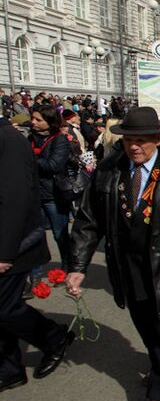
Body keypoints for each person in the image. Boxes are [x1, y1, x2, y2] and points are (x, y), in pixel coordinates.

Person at [65, 106, 160, 401]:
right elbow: (88, 221)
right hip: (126, 263)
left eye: (142, 140)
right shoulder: (108, 171)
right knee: (144, 322)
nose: (134, 146)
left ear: (157, 140)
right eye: (129, 139)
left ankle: (158, 394)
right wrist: (78, 265)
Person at [0, 115, 74, 392]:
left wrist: (5, 253)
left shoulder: (9, 141)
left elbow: (14, 200)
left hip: (13, 244)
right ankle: (10, 369)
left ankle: (53, 336)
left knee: (5, 308)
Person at [28, 104, 78, 282]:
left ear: (49, 122)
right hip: (34, 194)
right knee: (35, 235)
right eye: (33, 118)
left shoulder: (60, 140)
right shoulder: (31, 138)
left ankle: (68, 265)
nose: (33, 122)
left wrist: (30, 158)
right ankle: (35, 274)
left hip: (54, 195)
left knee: (59, 233)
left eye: (38, 119)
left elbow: (53, 166)